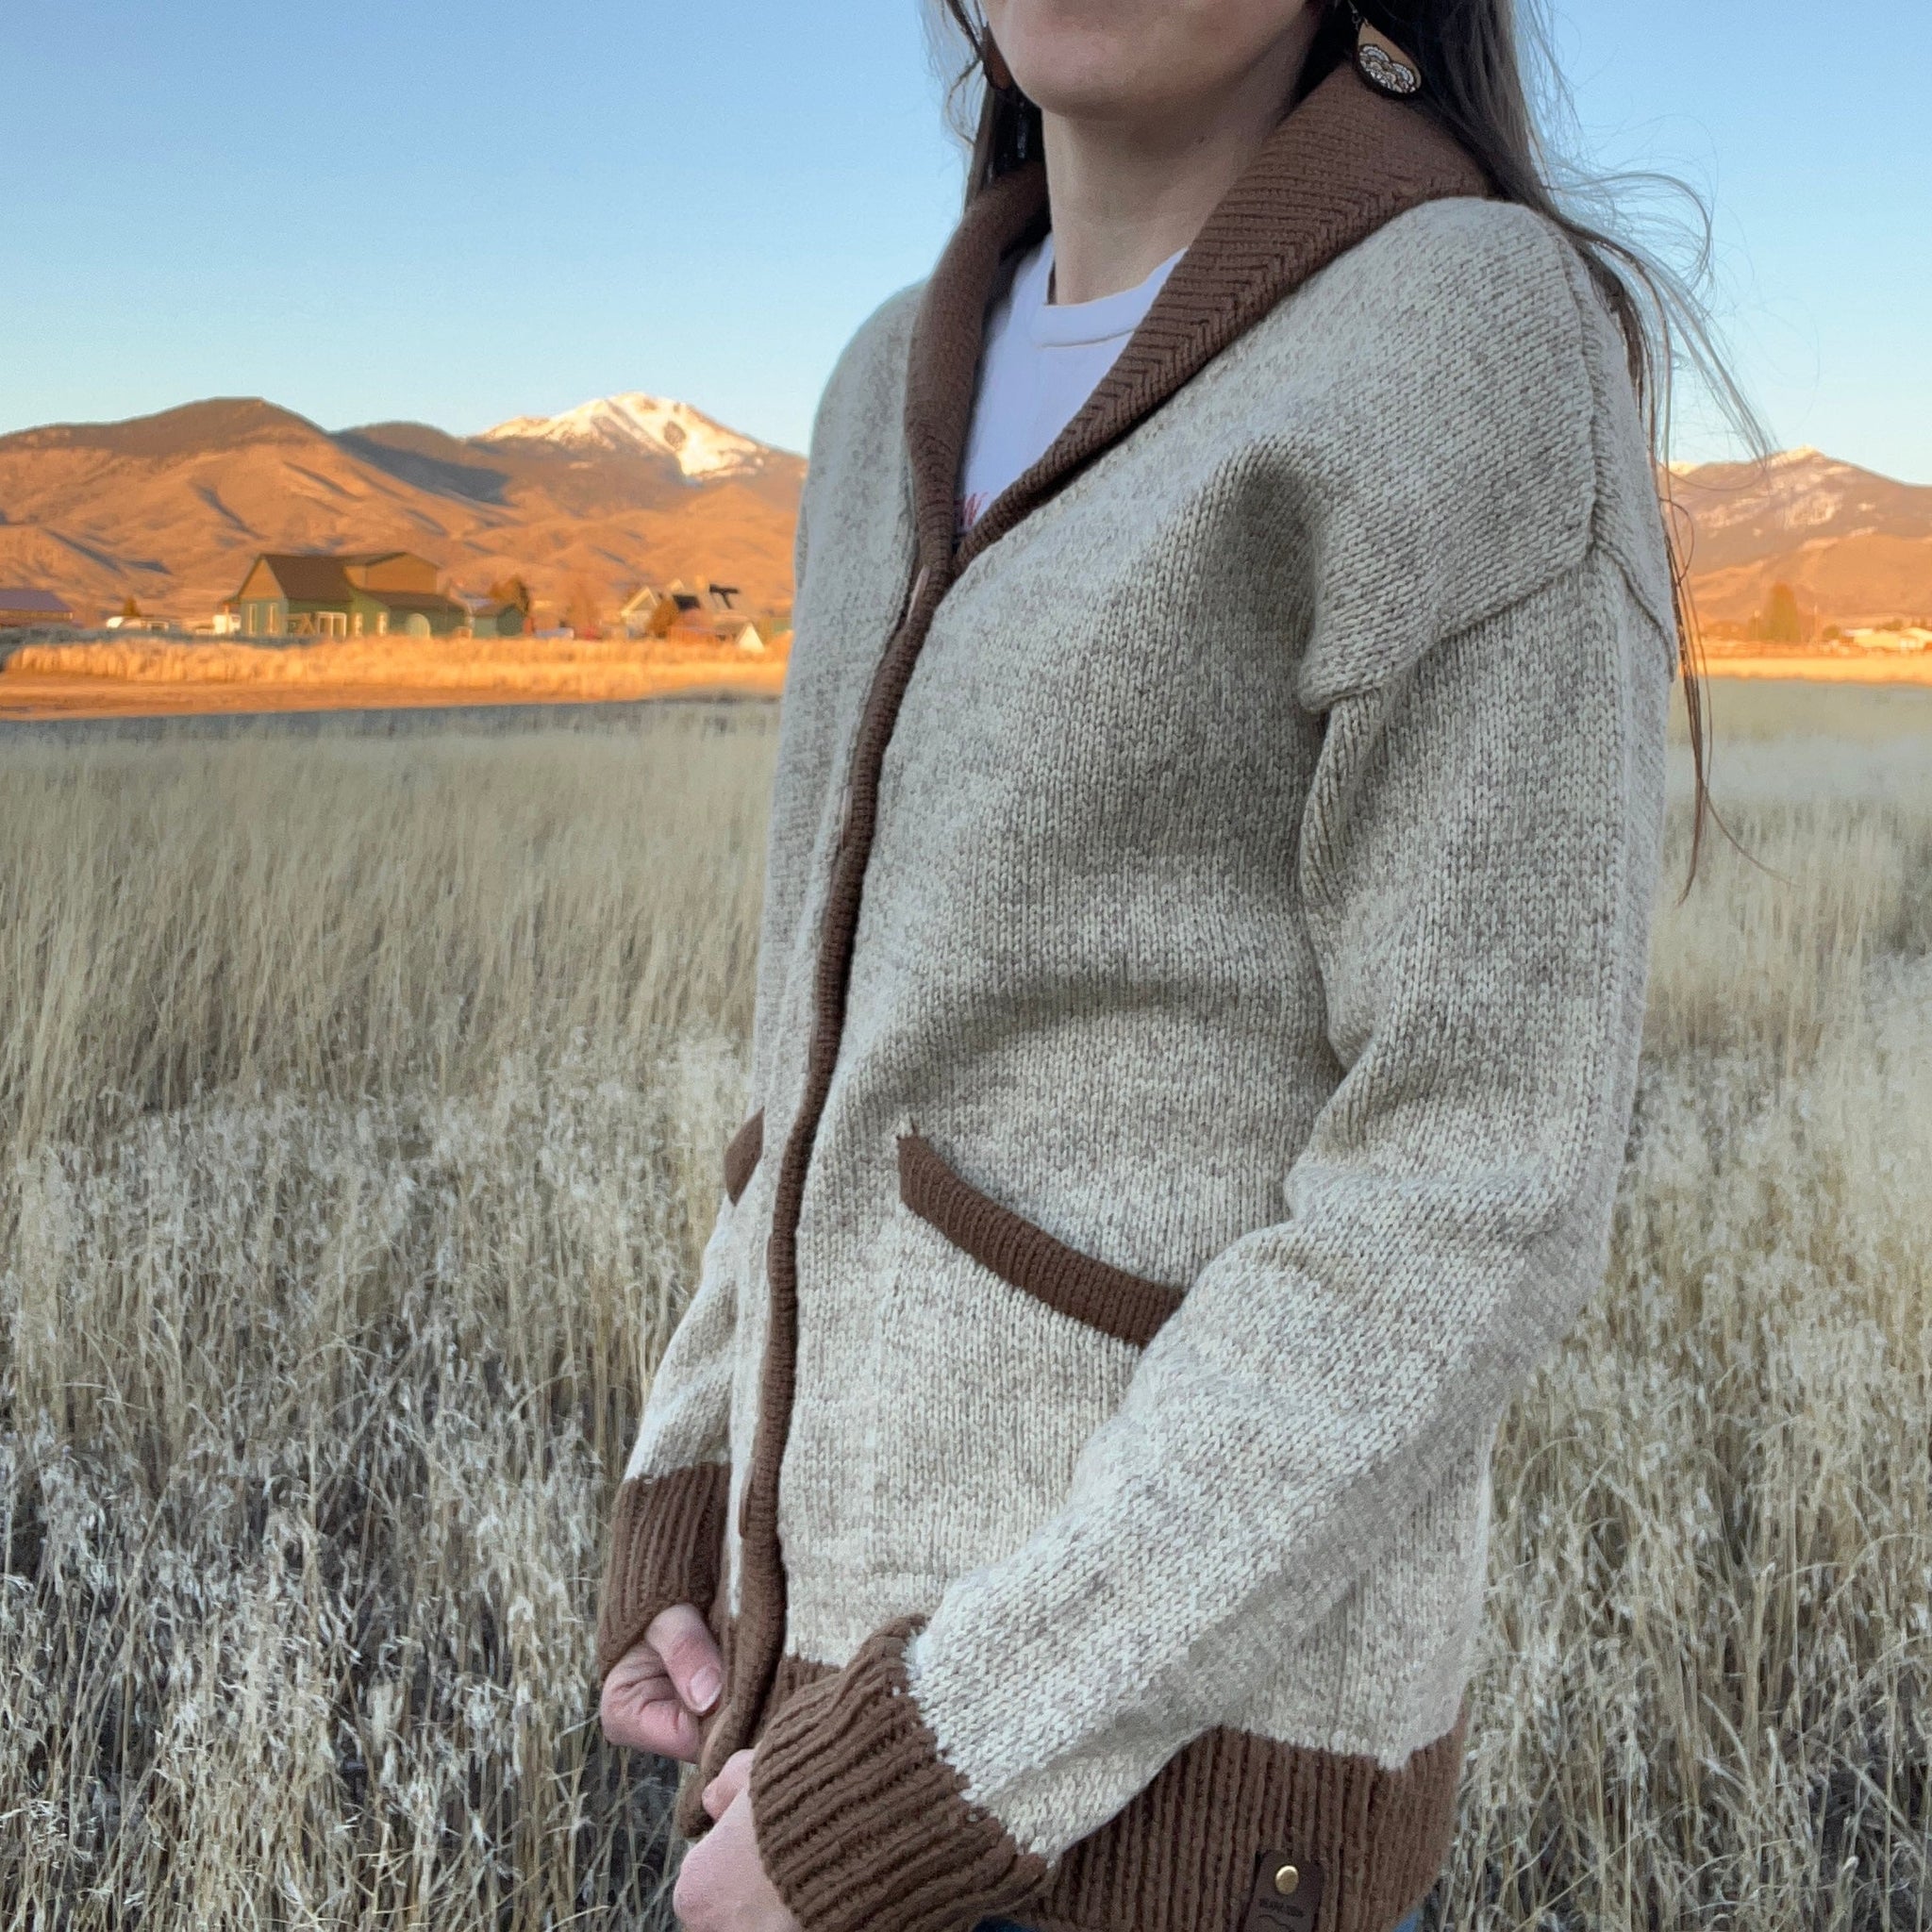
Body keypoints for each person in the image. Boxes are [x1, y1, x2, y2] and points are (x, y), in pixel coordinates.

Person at [596, 3, 1728, 1929]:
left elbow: (1475, 1186)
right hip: (796, 1712)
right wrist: (694, 1479)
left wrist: (944, 1762)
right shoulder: (883, 381)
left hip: (1153, 1803)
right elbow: (824, 1044)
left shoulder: (1463, 332)